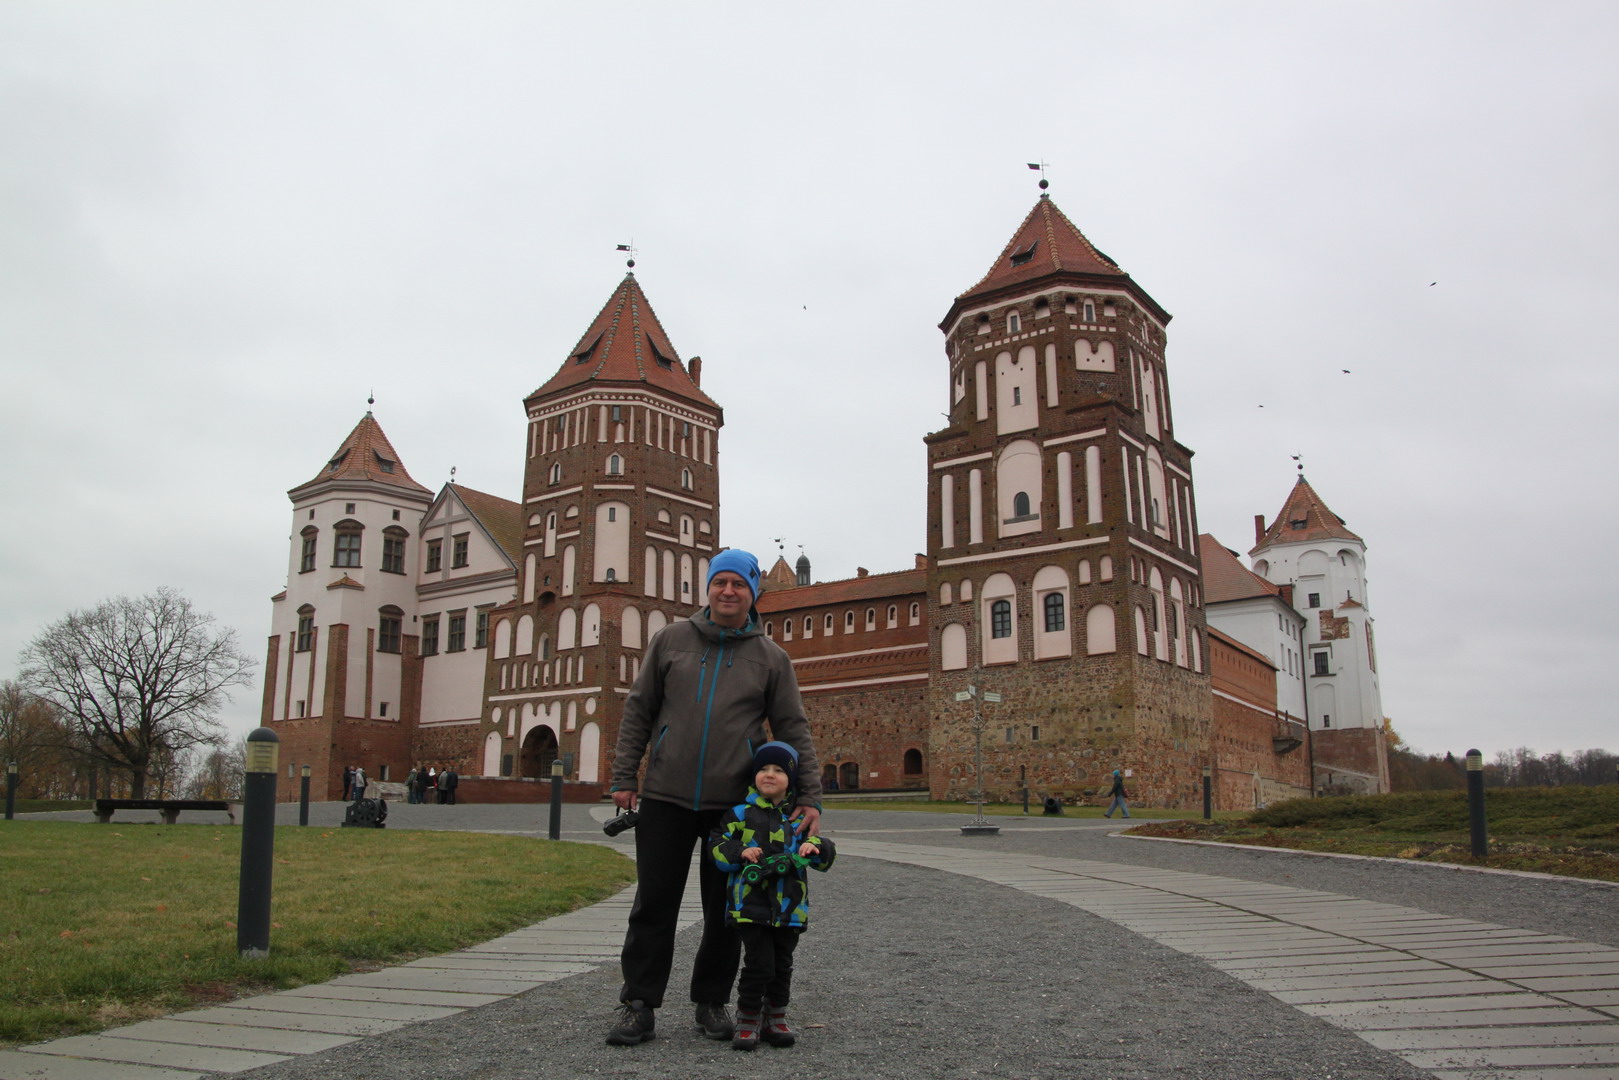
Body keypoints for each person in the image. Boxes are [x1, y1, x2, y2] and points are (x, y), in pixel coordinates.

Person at [605, 548, 824, 1048]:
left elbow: (793, 728)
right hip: (665, 794)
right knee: (653, 903)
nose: (728, 591)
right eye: (720, 582)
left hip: (733, 806)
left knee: (728, 909)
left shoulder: (771, 658)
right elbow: (639, 709)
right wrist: (624, 775)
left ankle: (711, 1000)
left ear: (753, 593)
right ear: (708, 589)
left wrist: (809, 794)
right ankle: (639, 1004)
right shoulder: (670, 640)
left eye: (739, 584)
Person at [709, 741, 834, 1050]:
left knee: (782, 965)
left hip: (789, 908)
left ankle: (775, 1015)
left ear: (790, 780)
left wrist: (815, 847)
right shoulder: (740, 814)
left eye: (779, 770)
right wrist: (740, 851)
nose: (769, 774)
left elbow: (823, 858)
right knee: (758, 964)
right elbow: (717, 847)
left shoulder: (798, 817)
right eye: (763, 768)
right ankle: (748, 1016)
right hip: (749, 906)